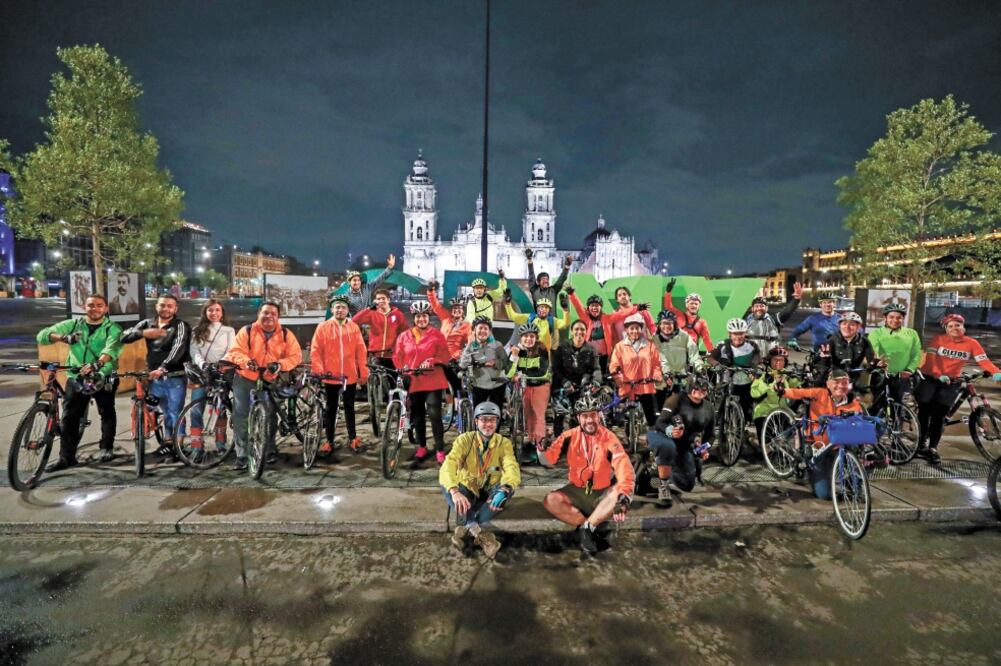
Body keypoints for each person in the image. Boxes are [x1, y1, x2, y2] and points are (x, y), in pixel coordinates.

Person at [538, 393, 635, 555]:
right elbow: (549, 460)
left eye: (593, 415)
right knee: (550, 500)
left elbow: (624, 468)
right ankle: (588, 529)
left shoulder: (609, 438)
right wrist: (542, 448)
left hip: (602, 493)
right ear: (578, 418)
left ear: (599, 416)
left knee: (619, 489)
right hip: (576, 490)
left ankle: (587, 529)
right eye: (585, 416)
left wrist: (624, 497)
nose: (589, 420)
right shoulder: (569, 436)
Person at [39, 294, 123, 471]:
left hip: (104, 374)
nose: (95, 309)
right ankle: (66, 457)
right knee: (69, 417)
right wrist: (63, 338)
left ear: (106, 309)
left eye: (99, 305)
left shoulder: (112, 328)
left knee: (106, 411)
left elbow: (112, 348)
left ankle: (106, 447)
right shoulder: (74, 325)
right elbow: (43, 335)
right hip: (77, 376)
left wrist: (98, 364)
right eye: (91, 305)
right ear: (84, 307)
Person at [223, 302, 303, 470]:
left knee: (271, 415)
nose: (269, 316)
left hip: (270, 378)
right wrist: (246, 362)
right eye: (265, 313)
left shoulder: (286, 334)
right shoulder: (247, 331)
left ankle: (269, 448)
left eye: (273, 313)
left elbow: (296, 356)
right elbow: (235, 352)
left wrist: (280, 364)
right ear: (259, 314)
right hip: (246, 377)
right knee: (242, 415)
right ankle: (243, 453)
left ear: (278, 316)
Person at [915, 313, 1001, 465]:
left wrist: (997, 374)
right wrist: (938, 374)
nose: (955, 328)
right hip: (930, 379)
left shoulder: (972, 343)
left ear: (963, 327)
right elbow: (931, 359)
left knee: (939, 416)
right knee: (924, 412)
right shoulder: (938, 340)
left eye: (958, 325)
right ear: (946, 329)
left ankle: (932, 449)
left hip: (950, 382)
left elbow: (984, 361)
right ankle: (919, 444)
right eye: (950, 326)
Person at [439, 401, 521, 559]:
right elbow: (448, 465)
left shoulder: (504, 443)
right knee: (446, 485)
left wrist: (505, 488)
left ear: (497, 422)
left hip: (490, 489)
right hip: (468, 489)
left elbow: (511, 466)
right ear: (476, 421)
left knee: (508, 490)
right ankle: (480, 534)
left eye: (492, 420)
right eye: (483, 419)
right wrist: (454, 491)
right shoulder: (464, 440)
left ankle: (465, 526)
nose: (488, 424)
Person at [776, 368, 864, 499]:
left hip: (838, 447)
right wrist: (782, 391)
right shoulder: (819, 393)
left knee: (859, 451)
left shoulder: (854, 404)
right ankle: (810, 471)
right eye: (837, 382)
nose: (841, 385)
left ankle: (854, 484)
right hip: (818, 447)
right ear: (828, 384)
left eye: (845, 382)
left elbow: (859, 426)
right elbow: (799, 392)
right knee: (824, 495)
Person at [121, 294, 192, 459]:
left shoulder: (180, 325)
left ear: (175, 309)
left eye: (170, 306)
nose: (166, 309)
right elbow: (124, 337)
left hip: (174, 375)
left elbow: (178, 349)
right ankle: (168, 443)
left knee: (175, 412)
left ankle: (177, 447)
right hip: (154, 377)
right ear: (156, 307)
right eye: (162, 305)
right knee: (164, 410)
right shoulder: (148, 323)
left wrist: (163, 367)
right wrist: (143, 332)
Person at [393, 301, 452, 466]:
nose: (421, 319)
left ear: (429, 317)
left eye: (424, 316)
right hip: (413, 380)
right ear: (414, 318)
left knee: (434, 416)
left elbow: (445, 356)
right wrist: (402, 368)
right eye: (418, 316)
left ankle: (440, 449)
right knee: (417, 416)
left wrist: (432, 360)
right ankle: (422, 447)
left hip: (433, 380)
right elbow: (397, 356)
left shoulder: (437, 334)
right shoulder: (404, 336)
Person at [311, 294, 368, 456]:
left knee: (350, 407)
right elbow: (316, 350)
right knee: (331, 409)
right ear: (332, 309)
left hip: (349, 375)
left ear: (348, 310)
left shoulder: (353, 327)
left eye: (343, 307)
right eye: (337, 307)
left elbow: (361, 351)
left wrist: (363, 371)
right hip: (331, 376)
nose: (340, 310)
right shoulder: (323, 327)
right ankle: (329, 440)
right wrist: (319, 369)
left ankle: (353, 437)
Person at [645, 374, 715, 507]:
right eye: (697, 388)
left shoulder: (709, 408)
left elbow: (711, 435)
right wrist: (670, 431)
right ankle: (663, 484)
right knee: (668, 446)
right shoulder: (675, 400)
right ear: (689, 388)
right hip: (660, 435)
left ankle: (659, 468)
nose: (700, 392)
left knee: (687, 484)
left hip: (684, 445)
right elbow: (660, 423)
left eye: (703, 389)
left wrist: (703, 448)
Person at [186, 299, 236, 461]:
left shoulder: (228, 330)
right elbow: (194, 351)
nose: (213, 313)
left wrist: (222, 364)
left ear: (222, 313)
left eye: (217, 310)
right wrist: (203, 365)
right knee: (196, 409)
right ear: (205, 312)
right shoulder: (197, 330)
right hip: (202, 373)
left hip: (221, 373)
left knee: (220, 409)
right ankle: (196, 446)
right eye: (210, 310)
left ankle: (221, 443)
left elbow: (231, 349)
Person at [565, 286, 643, 375]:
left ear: (600, 307)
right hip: (588, 355)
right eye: (592, 305)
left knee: (601, 377)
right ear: (588, 308)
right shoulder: (585, 318)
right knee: (587, 376)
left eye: (597, 305)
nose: (594, 308)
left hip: (604, 356)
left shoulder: (607, 319)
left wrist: (636, 308)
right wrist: (571, 294)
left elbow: (622, 314)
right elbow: (578, 306)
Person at [609, 313, 664, 427]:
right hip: (627, 387)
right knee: (620, 418)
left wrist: (657, 374)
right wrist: (617, 375)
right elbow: (614, 363)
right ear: (627, 330)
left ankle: (653, 438)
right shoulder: (620, 346)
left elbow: (656, 363)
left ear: (641, 329)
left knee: (652, 418)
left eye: (637, 328)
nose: (635, 331)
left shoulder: (650, 345)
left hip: (645, 386)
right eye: (632, 328)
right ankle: (629, 436)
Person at [867, 302, 921, 416]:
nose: (895, 320)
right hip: (881, 374)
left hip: (902, 376)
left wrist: (910, 370)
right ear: (885, 318)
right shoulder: (876, 333)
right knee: (877, 405)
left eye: (899, 318)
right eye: (891, 317)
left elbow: (916, 354)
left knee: (898, 407)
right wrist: (878, 362)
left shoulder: (912, 334)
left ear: (903, 318)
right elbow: (873, 352)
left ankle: (896, 430)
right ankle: (874, 430)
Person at [507, 322, 551, 462]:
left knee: (539, 415)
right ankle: (531, 441)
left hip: (539, 385)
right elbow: (509, 373)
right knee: (528, 415)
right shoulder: (516, 350)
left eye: (532, 336)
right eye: (526, 336)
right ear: (521, 338)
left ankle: (540, 446)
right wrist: (514, 358)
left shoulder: (542, 349)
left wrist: (525, 374)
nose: (528, 339)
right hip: (524, 387)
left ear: (536, 337)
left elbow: (543, 370)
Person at [551, 319, 603, 436]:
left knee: (578, 416)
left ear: (586, 332)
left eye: (582, 330)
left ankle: (576, 444)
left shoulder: (591, 349)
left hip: (581, 387)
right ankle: (560, 445)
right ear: (571, 331)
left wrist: (596, 381)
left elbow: (596, 368)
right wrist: (565, 383)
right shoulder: (562, 347)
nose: (579, 332)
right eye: (576, 329)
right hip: (561, 386)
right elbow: (555, 369)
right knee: (560, 416)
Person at [426, 282, 472, 402]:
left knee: (455, 384)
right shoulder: (446, 319)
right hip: (439, 357)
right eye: (455, 308)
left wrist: (458, 354)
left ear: (463, 312)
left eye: (459, 309)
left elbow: (470, 343)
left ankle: (457, 409)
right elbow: (435, 305)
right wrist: (431, 290)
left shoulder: (467, 326)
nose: (457, 310)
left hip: (454, 359)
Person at [708, 318, 761, 421]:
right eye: (735, 334)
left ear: (745, 333)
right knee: (720, 409)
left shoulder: (752, 346)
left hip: (745, 382)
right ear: (730, 334)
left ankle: (740, 430)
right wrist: (716, 364)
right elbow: (711, 357)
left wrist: (756, 369)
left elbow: (757, 360)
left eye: (741, 333)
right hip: (726, 381)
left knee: (745, 410)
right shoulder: (722, 345)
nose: (738, 337)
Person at [814, 311, 881, 392]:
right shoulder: (832, 340)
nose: (847, 327)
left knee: (878, 379)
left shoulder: (864, 341)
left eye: (852, 324)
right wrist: (825, 359)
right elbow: (820, 365)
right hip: (835, 375)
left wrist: (876, 364)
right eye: (844, 324)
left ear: (858, 326)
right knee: (819, 382)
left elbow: (871, 360)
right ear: (839, 326)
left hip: (855, 375)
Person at [651, 309, 704, 408]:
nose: (666, 326)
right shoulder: (655, 339)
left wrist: (699, 367)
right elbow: (660, 358)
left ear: (674, 324)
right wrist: (666, 373)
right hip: (661, 379)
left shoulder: (684, 336)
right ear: (659, 324)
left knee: (684, 406)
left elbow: (694, 353)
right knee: (660, 407)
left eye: (670, 323)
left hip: (680, 377)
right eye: (663, 323)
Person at [749, 347, 800, 442]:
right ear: (769, 361)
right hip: (763, 413)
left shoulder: (787, 375)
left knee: (794, 433)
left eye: (781, 360)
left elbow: (798, 387)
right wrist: (770, 383)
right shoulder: (763, 374)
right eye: (775, 359)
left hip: (783, 412)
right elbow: (754, 393)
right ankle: (754, 441)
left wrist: (802, 379)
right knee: (767, 446)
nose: (778, 362)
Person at [458, 316, 510, 409]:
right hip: (478, 384)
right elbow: (463, 364)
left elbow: (506, 364)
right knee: (478, 413)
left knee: (496, 413)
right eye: (480, 328)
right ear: (474, 330)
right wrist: (469, 346)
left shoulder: (497, 345)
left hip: (497, 384)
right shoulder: (470, 346)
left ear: (490, 331)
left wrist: (495, 363)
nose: (483, 331)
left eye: (485, 328)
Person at [352, 288, 408, 372]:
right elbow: (355, 320)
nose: (381, 301)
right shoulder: (372, 313)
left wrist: (402, 350)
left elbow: (404, 333)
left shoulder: (398, 315)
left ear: (388, 300)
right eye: (378, 299)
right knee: (375, 379)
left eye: (383, 298)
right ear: (375, 301)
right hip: (375, 353)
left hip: (392, 354)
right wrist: (368, 309)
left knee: (392, 380)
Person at [743, 283, 801, 358]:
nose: (759, 308)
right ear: (752, 309)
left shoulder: (773, 319)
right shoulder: (745, 322)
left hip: (770, 359)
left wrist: (796, 300)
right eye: (756, 306)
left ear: (766, 308)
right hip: (752, 359)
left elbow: (786, 312)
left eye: (762, 306)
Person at [328, 253, 396, 317]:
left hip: (368, 320)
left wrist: (389, 267)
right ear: (349, 282)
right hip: (355, 322)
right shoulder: (346, 296)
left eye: (358, 280)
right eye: (354, 280)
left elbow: (379, 279)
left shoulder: (367, 288)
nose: (357, 282)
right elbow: (339, 307)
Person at [504, 294, 569, 353]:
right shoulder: (530, 317)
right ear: (537, 308)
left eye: (546, 307)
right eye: (542, 307)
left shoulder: (552, 320)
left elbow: (565, 323)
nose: (544, 309)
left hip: (544, 354)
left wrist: (565, 310)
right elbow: (513, 316)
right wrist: (508, 304)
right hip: (529, 351)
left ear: (549, 310)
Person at [662, 278, 713, 351]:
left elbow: (706, 338)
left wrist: (712, 353)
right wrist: (668, 292)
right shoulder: (679, 315)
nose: (694, 306)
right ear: (687, 305)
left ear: (699, 306)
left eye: (696, 304)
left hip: (692, 354)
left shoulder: (702, 322)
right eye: (691, 303)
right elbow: (668, 306)